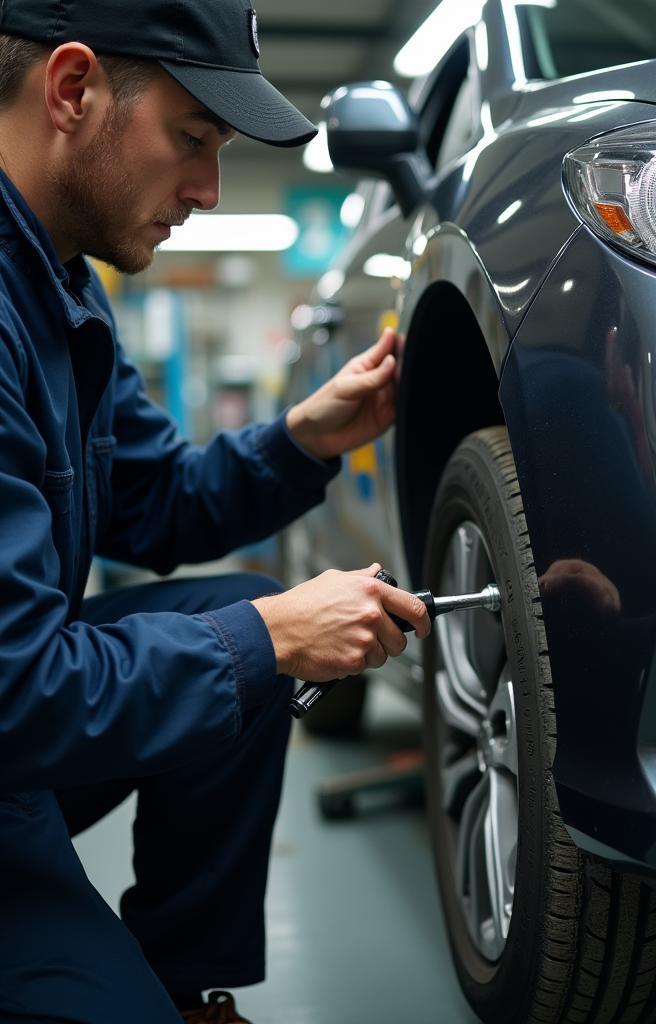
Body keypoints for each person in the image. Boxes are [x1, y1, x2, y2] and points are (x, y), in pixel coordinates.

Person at [0, 1, 431, 1021]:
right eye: (193, 139)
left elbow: (153, 505)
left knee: (232, 619)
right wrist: (268, 638)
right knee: (244, 640)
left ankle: (179, 985)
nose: (206, 189)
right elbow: (14, 691)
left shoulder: (62, 286)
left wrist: (304, 440)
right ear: (71, 90)